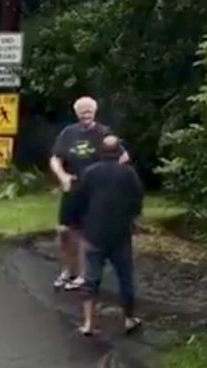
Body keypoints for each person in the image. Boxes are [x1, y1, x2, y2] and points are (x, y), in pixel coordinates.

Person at [66, 134, 144, 337]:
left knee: (91, 279)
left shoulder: (90, 173)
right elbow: (137, 202)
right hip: (120, 234)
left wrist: (77, 224)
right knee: (125, 278)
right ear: (119, 152)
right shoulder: (128, 174)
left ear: (101, 152)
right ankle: (128, 319)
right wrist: (131, 219)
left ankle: (89, 323)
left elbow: (78, 200)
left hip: (94, 233)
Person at [49, 96, 128, 291]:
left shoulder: (103, 133)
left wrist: (106, 175)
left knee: (86, 233)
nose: (86, 113)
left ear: (95, 112)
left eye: (89, 110)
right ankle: (68, 270)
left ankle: (84, 275)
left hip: (94, 190)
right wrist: (63, 176)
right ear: (76, 113)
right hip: (73, 186)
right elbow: (55, 158)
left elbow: (123, 156)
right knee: (65, 231)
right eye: (83, 110)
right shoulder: (69, 133)